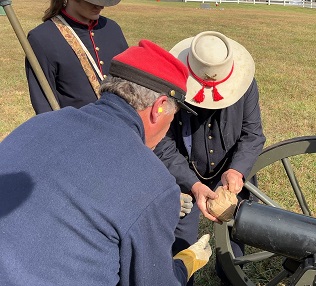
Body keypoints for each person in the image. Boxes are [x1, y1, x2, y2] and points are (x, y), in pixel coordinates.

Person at [0, 39, 211, 285]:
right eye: (172, 117)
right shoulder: (153, 181)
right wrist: (185, 264)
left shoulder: (36, 125)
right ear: (160, 108)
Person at [153, 31, 266, 285]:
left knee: (235, 242)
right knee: (181, 243)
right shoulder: (171, 87)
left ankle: (230, 277)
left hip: (231, 173)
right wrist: (192, 184)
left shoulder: (246, 85)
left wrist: (237, 171)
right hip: (184, 175)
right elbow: (163, 144)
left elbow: (253, 135)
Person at [26, 0, 128, 114]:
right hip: (76, 127)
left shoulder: (112, 29)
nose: (100, 6)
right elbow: (43, 103)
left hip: (119, 122)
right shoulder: (42, 37)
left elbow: (128, 82)